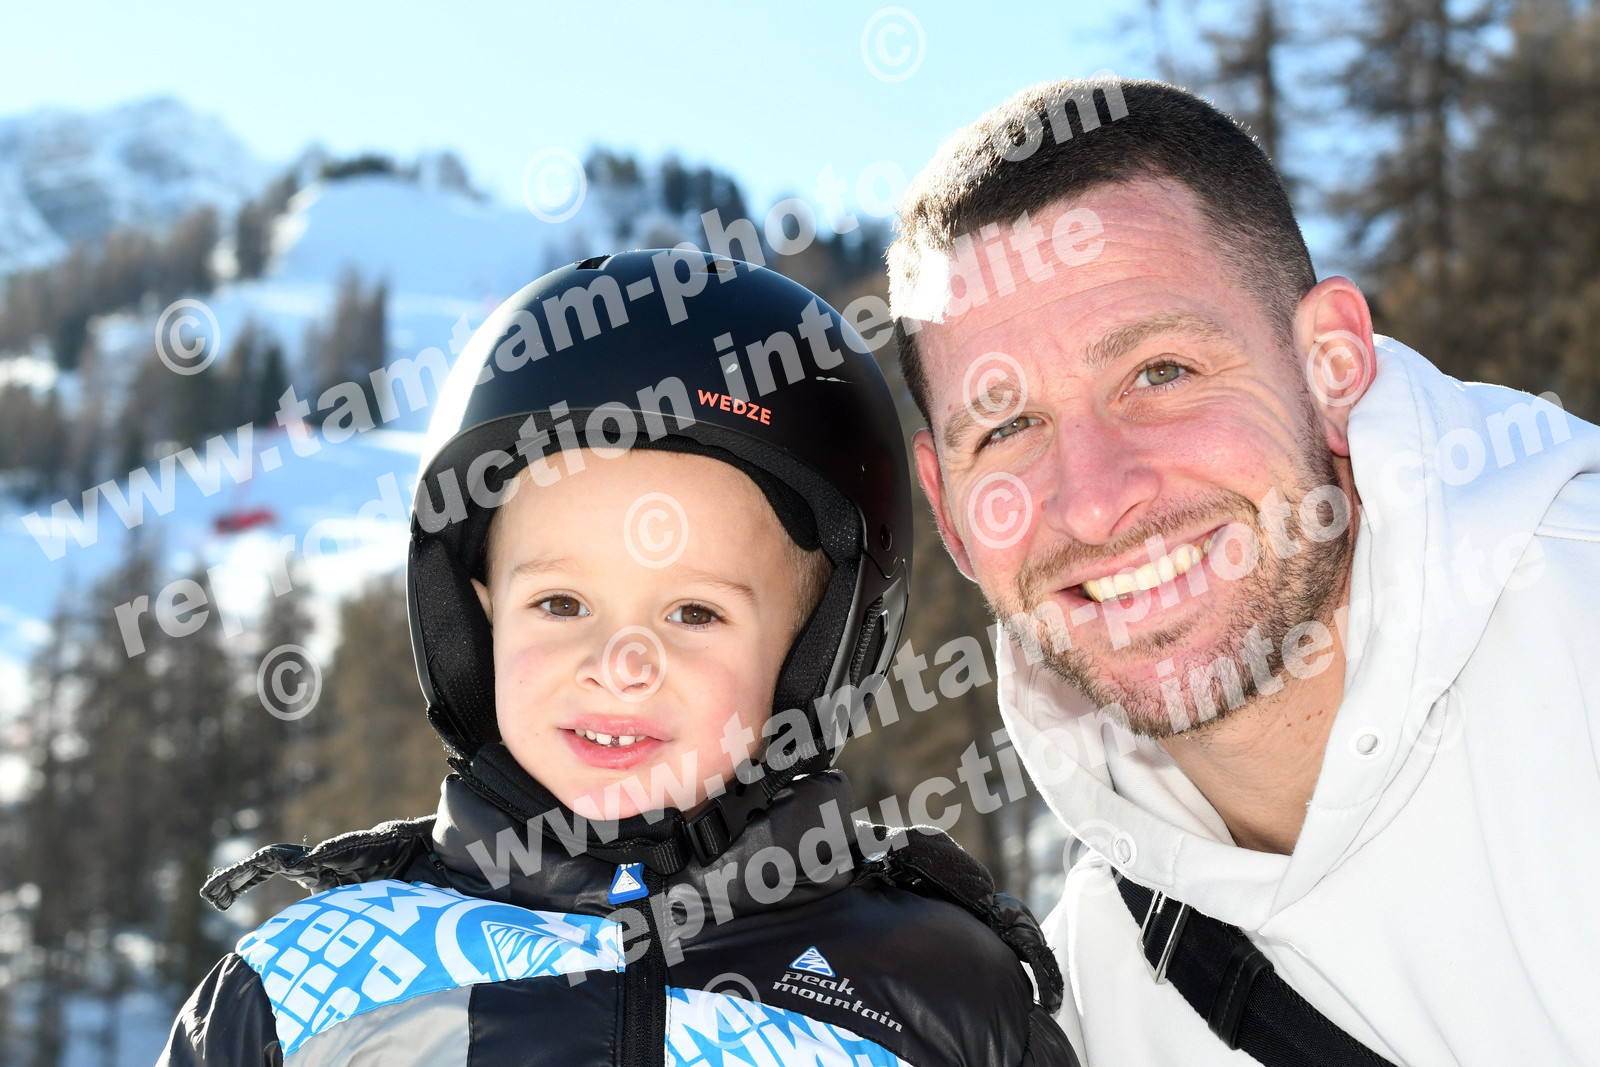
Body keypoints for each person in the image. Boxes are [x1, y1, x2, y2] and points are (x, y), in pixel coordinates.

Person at [158, 251, 1078, 1066]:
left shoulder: (941, 997)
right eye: (561, 603)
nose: (621, 664)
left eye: (693, 612)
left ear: (817, 649)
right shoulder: (309, 983)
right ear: (477, 619)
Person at [888, 77, 1600, 1066]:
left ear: (1332, 363)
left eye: (1160, 372)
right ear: (949, 510)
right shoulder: (1092, 986)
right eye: (1006, 429)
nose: (1093, 500)